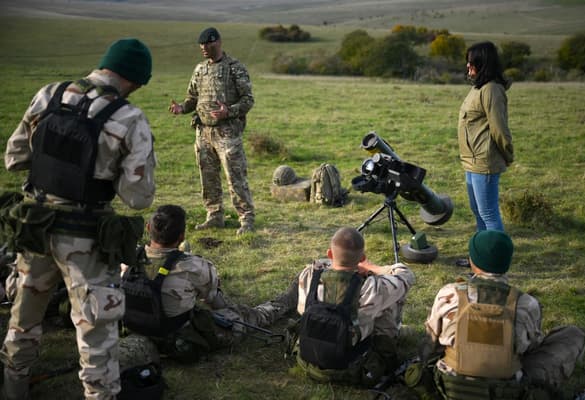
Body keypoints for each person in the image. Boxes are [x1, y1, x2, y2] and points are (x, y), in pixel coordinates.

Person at [0, 38, 156, 400]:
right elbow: (138, 198)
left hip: (35, 229)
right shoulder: (129, 118)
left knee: (23, 321)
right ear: (134, 80)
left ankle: (13, 387)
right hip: (85, 240)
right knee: (96, 334)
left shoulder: (48, 95)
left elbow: (14, 158)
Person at [417, 230, 585, 399]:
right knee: (573, 335)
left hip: (451, 388)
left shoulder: (449, 293)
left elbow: (430, 342)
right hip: (507, 391)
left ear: (472, 261)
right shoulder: (526, 304)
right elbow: (531, 349)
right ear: (507, 263)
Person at [120, 204, 292, 364]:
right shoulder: (193, 267)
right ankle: (285, 302)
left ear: (149, 228)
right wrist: (229, 312)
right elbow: (213, 299)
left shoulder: (126, 261)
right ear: (182, 236)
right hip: (176, 341)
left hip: (136, 329)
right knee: (246, 315)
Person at [287, 227, 416, 386]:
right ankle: (387, 345)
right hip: (350, 365)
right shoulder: (371, 288)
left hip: (308, 359)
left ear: (329, 254)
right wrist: (372, 268)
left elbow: (302, 310)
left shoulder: (309, 274)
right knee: (389, 300)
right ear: (362, 258)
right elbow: (406, 275)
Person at [168, 27, 255, 236]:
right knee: (208, 177)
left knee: (235, 178)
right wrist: (182, 108)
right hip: (203, 132)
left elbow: (248, 100)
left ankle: (246, 219)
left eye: (208, 44)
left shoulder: (235, 68)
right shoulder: (200, 69)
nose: (204, 48)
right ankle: (214, 216)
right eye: (201, 45)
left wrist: (229, 112)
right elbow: (192, 98)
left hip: (227, 133)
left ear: (218, 43)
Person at [458, 41, 514, 233]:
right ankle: (481, 259)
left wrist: (507, 155)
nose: (467, 66)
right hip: (471, 162)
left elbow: (499, 128)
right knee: (478, 212)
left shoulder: (492, 90)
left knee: (489, 214)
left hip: (484, 162)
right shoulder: (478, 88)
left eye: (471, 62)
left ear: (483, 63)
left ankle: (495, 259)